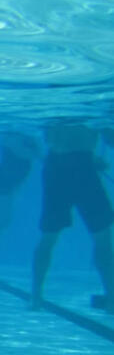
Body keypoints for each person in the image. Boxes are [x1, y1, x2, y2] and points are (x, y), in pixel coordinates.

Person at [30, 120, 114, 311]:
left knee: (48, 236)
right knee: (102, 236)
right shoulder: (91, 99)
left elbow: (49, 137)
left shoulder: (54, 103)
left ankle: (35, 297)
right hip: (82, 165)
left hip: (56, 166)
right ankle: (112, 298)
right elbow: (110, 138)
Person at [0, 130, 42, 273]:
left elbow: (37, 155)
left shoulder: (29, 137)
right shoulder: (11, 137)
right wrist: (33, 146)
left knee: (5, 220)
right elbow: (28, 154)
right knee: (3, 220)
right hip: (1, 184)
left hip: (14, 184)